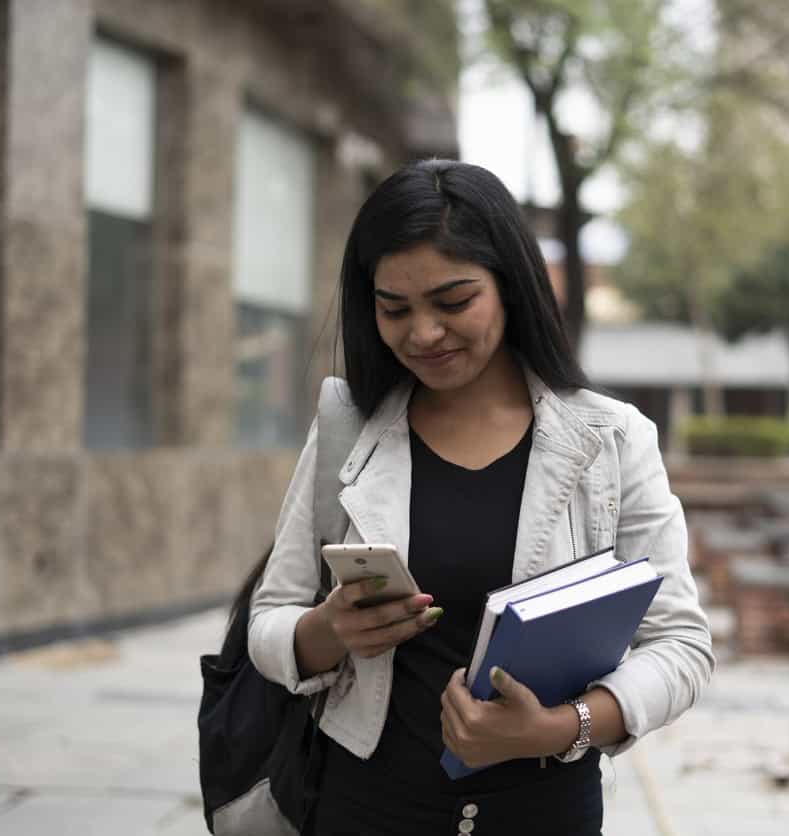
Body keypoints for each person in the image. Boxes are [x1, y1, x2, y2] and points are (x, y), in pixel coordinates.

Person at [248, 160, 715, 836]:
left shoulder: (612, 440)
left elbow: (680, 644)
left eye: (453, 301)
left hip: (544, 813)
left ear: (511, 286)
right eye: (394, 309)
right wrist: (325, 632)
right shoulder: (347, 429)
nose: (423, 333)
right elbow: (270, 619)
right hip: (363, 810)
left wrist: (559, 727)